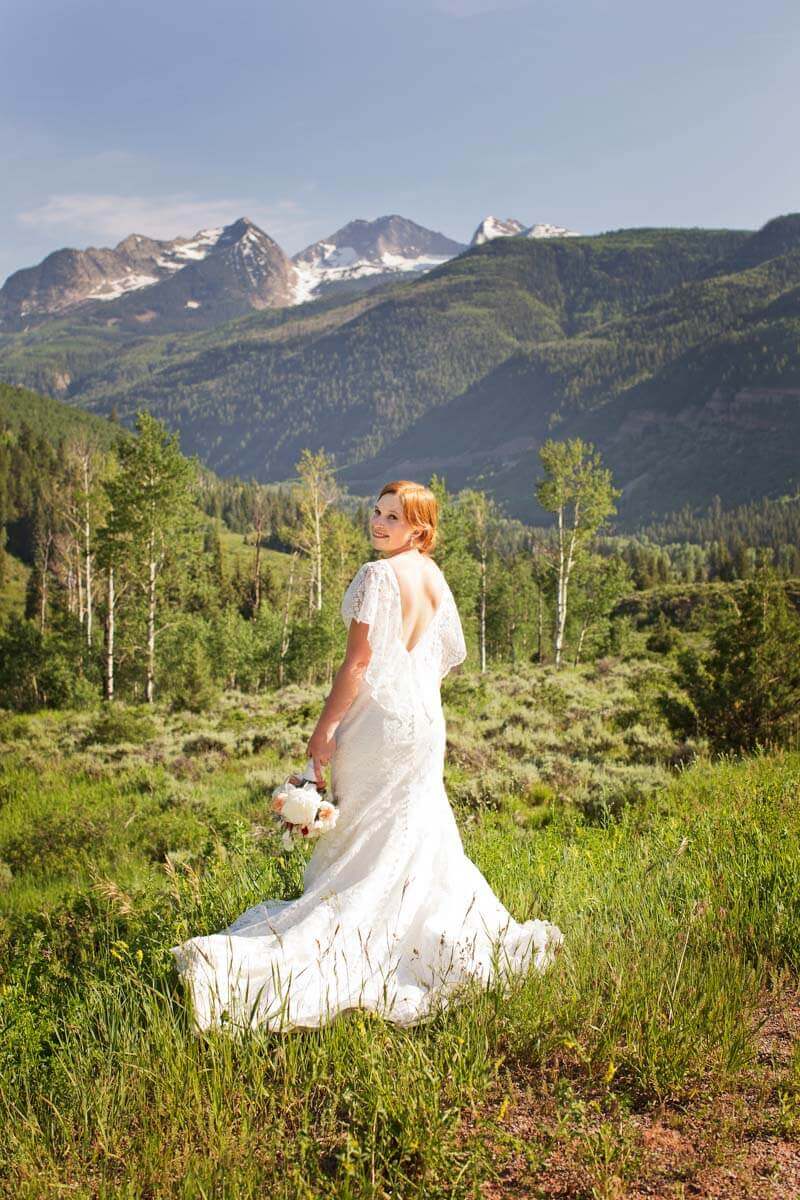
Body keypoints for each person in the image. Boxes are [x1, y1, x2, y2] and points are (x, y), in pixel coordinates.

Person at [170, 480, 563, 1033]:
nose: (379, 524)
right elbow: (443, 659)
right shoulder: (434, 578)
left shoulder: (378, 577)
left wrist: (324, 729)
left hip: (379, 727)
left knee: (362, 837)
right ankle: (421, 940)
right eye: (377, 513)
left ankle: (354, 945)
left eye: (394, 518)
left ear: (419, 528)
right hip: (424, 726)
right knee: (414, 833)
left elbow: (357, 665)